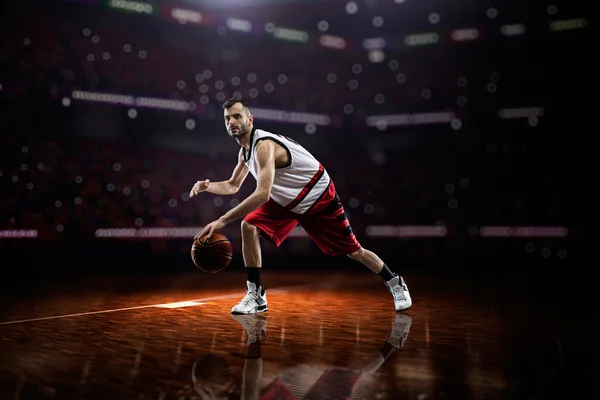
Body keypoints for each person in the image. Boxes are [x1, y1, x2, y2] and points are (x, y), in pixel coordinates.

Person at [190, 98, 412, 315]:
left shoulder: (263, 146)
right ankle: (256, 295)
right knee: (249, 226)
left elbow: (262, 194)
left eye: (237, 116)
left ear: (250, 119)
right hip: (288, 201)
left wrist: (222, 220)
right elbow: (232, 185)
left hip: (318, 196)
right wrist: (207, 186)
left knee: (354, 251)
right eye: (228, 118)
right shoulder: (244, 152)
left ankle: (395, 282)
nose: (232, 121)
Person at [192, 313, 413, 400]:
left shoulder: (227, 393)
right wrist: (254, 337)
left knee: (349, 373)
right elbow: (251, 382)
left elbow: (252, 383)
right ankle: (394, 341)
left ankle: (393, 341)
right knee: (350, 373)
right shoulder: (236, 393)